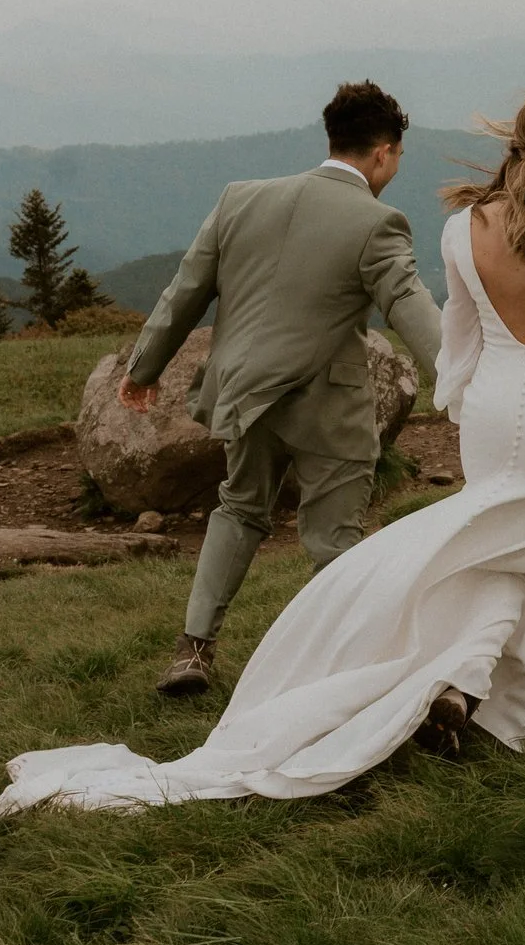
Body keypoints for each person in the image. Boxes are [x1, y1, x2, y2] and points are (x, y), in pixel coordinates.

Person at [0, 90, 525, 813]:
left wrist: (144, 370)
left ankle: (211, 646)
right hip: (467, 417)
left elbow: (191, 288)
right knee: (491, 562)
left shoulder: (306, 205)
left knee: (297, 520)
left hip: (333, 403)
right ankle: (462, 706)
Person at [121, 80, 443, 695]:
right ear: (383, 153)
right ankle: (348, 670)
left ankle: (193, 650)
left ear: (331, 140)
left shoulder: (240, 200)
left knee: (239, 508)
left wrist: (143, 369)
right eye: (397, 157)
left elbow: (185, 291)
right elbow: (410, 306)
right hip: (329, 404)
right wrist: (459, 381)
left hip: (245, 395)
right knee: (334, 537)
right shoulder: (378, 223)